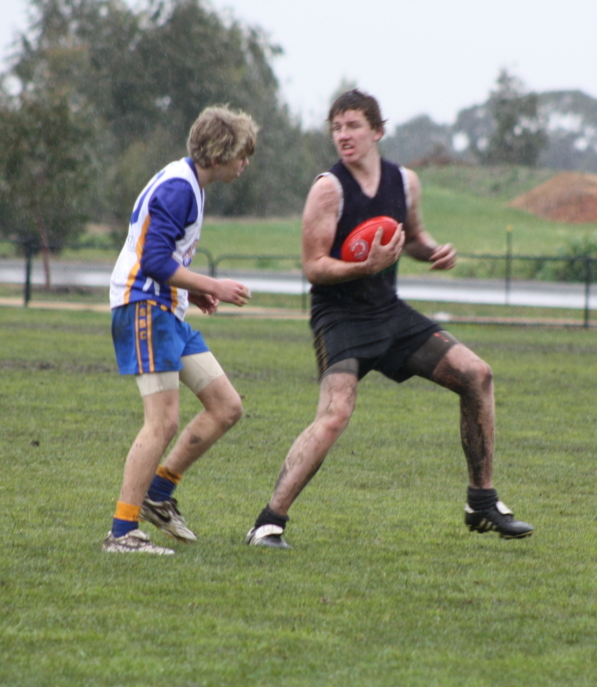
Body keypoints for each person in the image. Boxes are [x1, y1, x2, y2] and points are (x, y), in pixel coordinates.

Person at [245, 90, 532, 549]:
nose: (343, 135)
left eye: (353, 125)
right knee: (336, 413)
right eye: (336, 127)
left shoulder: (406, 182)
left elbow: (411, 237)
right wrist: (363, 267)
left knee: (477, 374)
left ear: (377, 130)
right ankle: (267, 522)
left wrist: (433, 250)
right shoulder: (328, 189)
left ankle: (482, 502)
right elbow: (314, 266)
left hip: (389, 312)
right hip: (338, 316)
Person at [102, 105, 257, 554]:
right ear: (218, 152)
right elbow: (152, 261)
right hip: (144, 307)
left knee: (226, 406)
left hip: (168, 308)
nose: (245, 162)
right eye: (241, 153)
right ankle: (122, 532)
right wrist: (214, 285)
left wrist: (195, 292)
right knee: (163, 421)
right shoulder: (178, 187)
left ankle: (159, 492)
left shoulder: (191, 184)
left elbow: (168, 258)